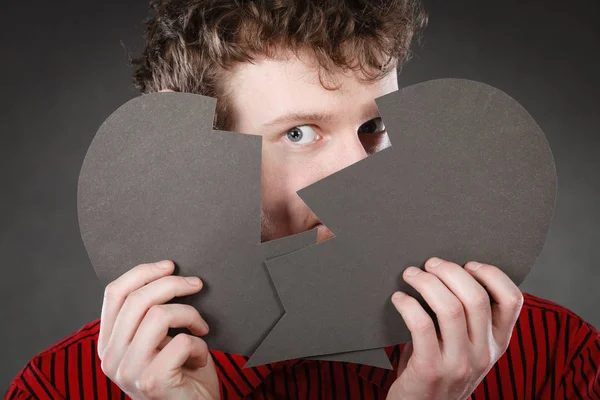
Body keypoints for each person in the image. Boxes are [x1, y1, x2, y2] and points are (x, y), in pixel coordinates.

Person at [6, 0, 600, 399]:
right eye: (298, 134)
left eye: (375, 129)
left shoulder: (554, 358)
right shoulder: (62, 386)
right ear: (197, 160)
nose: (362, 174)